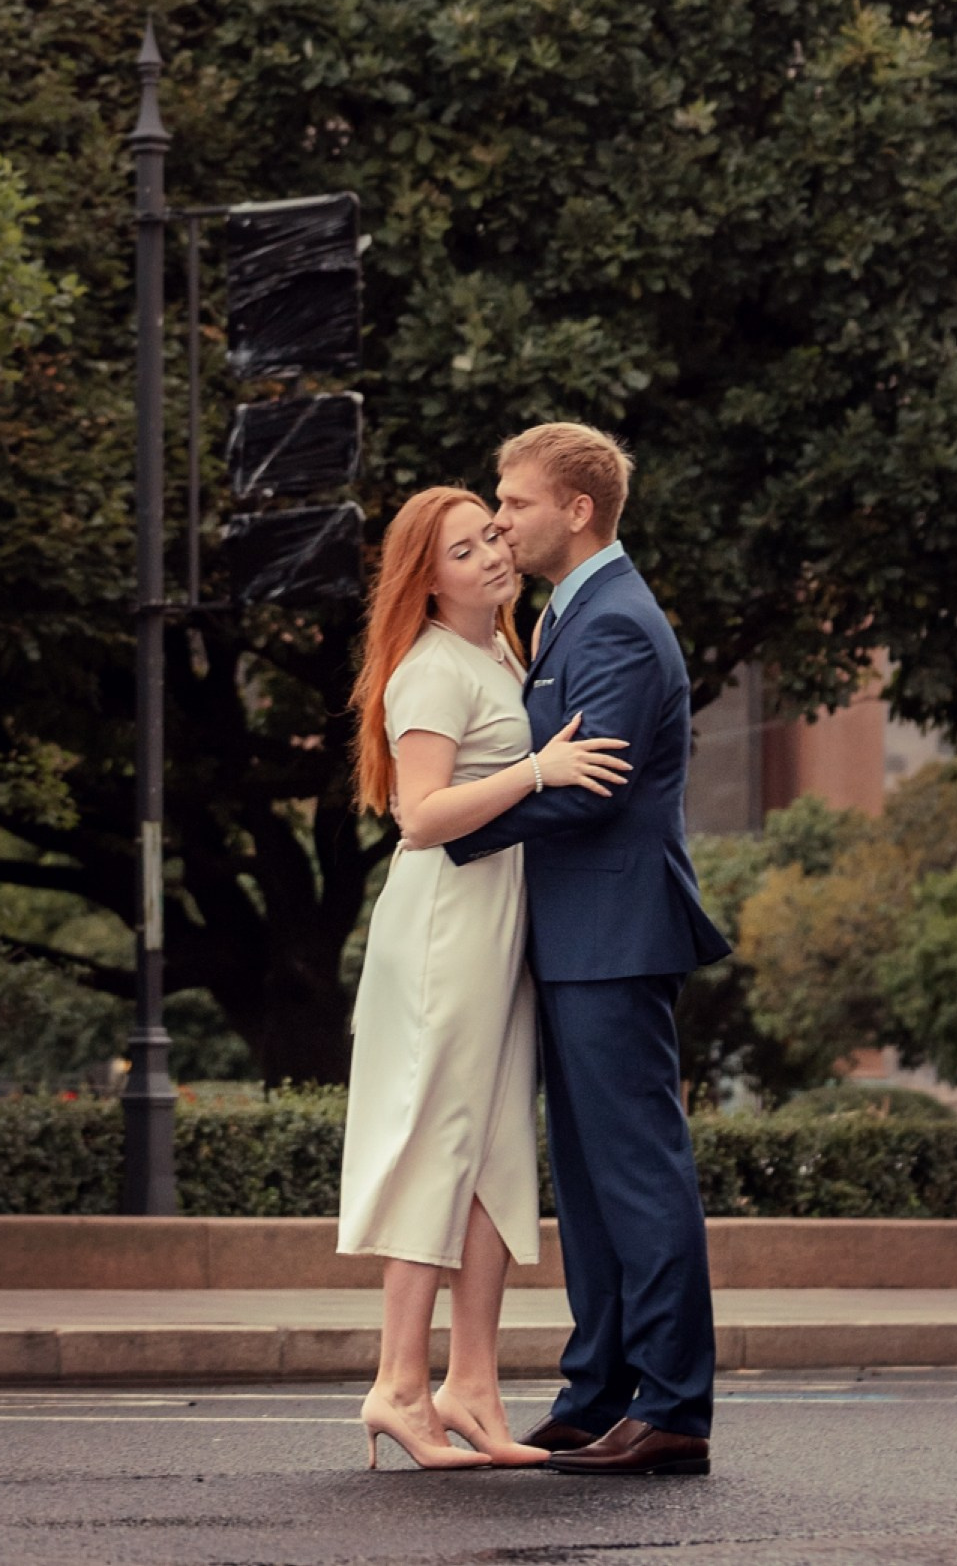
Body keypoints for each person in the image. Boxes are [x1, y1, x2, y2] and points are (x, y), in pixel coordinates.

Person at [445, 422, 731, 1480]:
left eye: (514, 502)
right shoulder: (572, 613)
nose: (500, 520)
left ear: (576, 510)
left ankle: (672, 1407)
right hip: (579, 934)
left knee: (637, 1174)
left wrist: (451, 827)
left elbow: (591, 787)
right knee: (591, 1180)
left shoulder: (614, 623)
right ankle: (599, 1393)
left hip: (614, 930)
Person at [339, 485, 631, 1473]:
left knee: (496, 1149)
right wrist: (540, 771)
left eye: (493, 536)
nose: (494, 555)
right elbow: (419, 817)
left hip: (498, 921)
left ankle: (470, 1385)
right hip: (444, 928)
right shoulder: (429, 669)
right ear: (427, 579)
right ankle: (397, 1385)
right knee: (439, 1139)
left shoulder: (502, 652)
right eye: (464, 551)